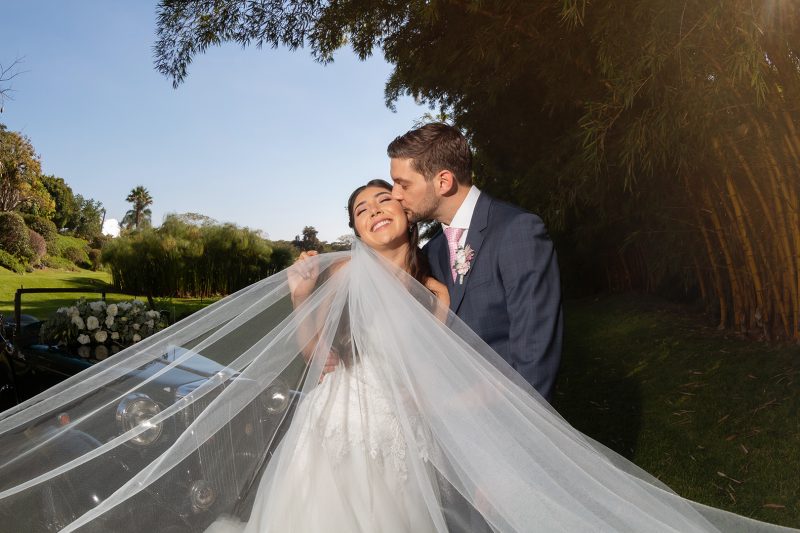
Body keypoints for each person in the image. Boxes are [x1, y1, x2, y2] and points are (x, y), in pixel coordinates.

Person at [0, 181, 795, 533]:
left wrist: (462, 417)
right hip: (341, 420)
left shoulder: (440, 292)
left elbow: (439, 373)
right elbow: (323, 358)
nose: (374, 210)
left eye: (383, 199)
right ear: (352, 228)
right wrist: (295, 300)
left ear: (403, 214)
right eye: (359, 208)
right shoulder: (342, 272)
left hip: (404, 430)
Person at [388, 123, 563, 401]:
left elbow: (534, 351)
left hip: (515, 418)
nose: (395, 194)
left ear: (443, 182)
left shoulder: (516, 231)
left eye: (403, 184)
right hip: (458, 424)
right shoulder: (432, 250)